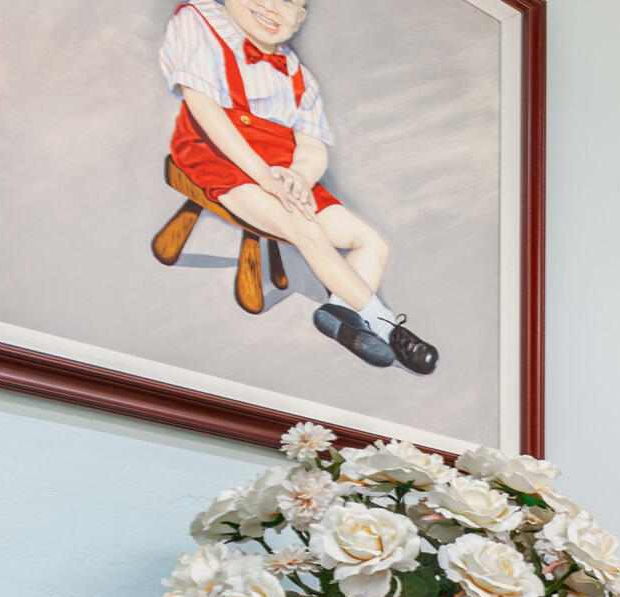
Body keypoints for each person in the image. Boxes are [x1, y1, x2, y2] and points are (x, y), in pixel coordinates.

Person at [159, 0, 438, 375]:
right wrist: (263, 176)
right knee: (303, 227)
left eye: (290, 0)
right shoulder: (199, 20)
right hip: (219, 156)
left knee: (373, 243)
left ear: (300, 18)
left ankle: (339, 313)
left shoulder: (297, 73)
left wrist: (299, 177)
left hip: (285, 172)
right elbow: (205, 110)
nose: (273, 7)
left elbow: (312, 146)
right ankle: (387, 326)